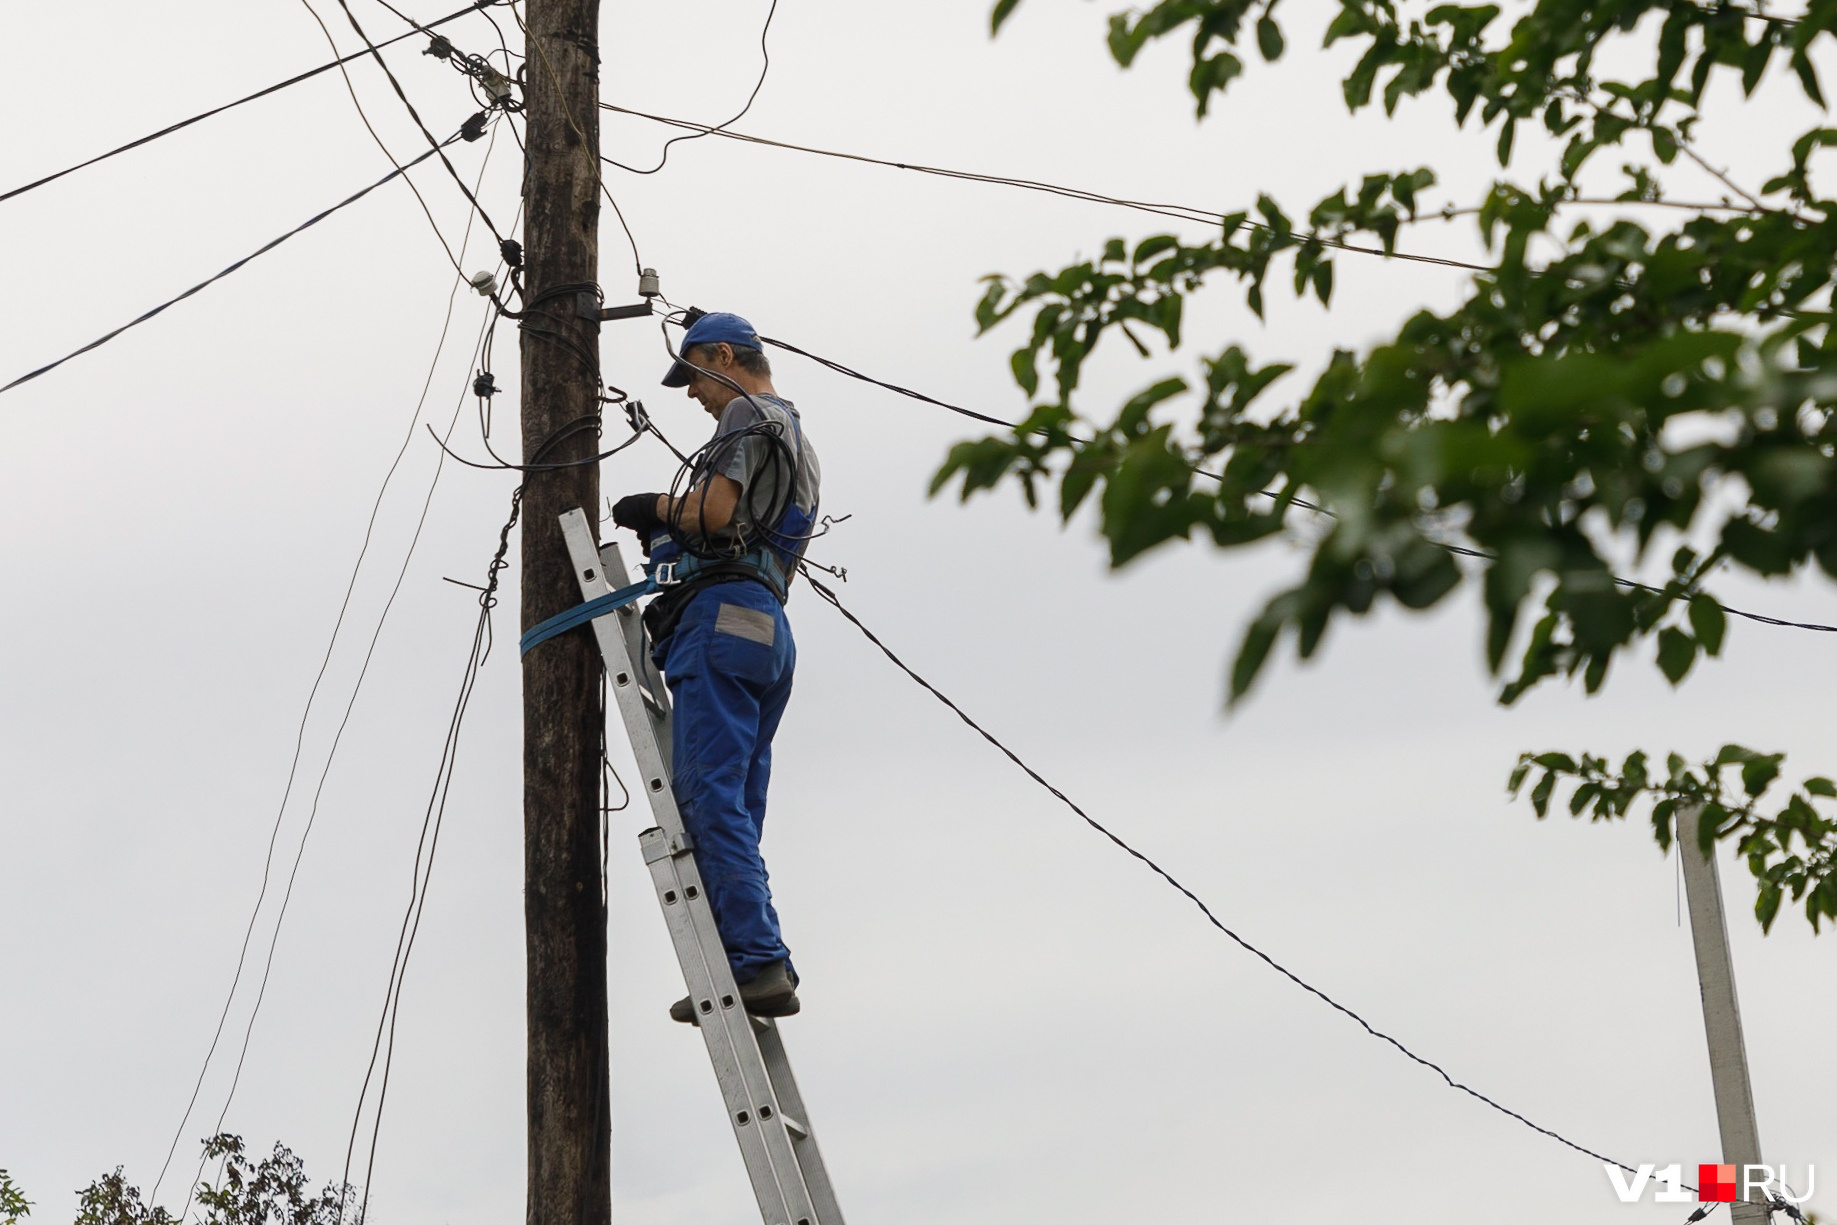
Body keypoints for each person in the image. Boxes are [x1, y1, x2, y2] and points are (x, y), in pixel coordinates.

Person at [610, 311, 821, 1023]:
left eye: (693, 375)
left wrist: (657, 508)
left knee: (704, 793)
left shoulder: (743, 412)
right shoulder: (800, 441)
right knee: (735, 804)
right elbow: (764, 540)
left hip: (721, 618)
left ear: (722, 355)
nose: (693, 395)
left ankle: (756, 961)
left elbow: (718, 510)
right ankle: (753, 955)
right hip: (768, 628)